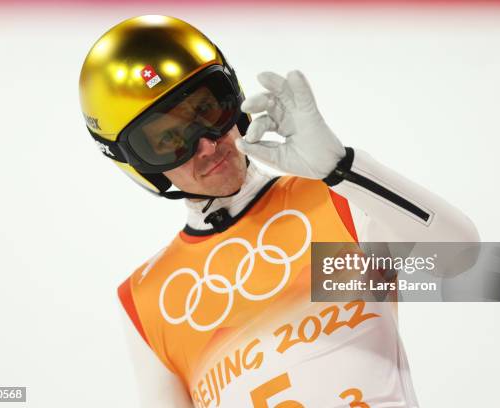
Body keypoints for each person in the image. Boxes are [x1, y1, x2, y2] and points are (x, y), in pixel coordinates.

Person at [79, 15, 478, 408]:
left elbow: (472, 261)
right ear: (136, 163)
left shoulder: (333, 203)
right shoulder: (148, 298)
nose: (206, 145)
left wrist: (343, 170)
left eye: (207, 110)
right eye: (169, 140)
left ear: (233, 98)